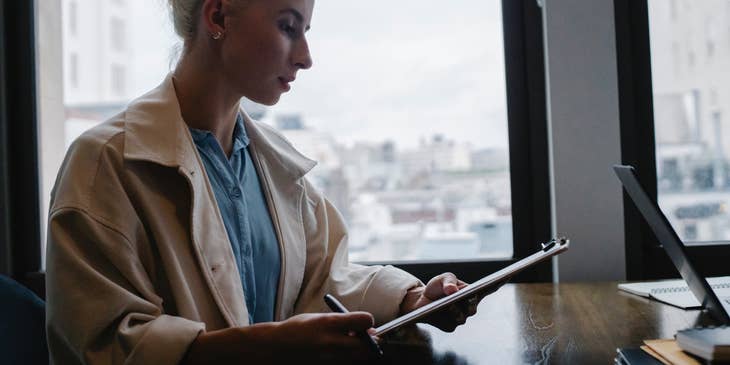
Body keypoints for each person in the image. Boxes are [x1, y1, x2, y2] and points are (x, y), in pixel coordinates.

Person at [45, 0, 482, 364]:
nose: (306, 56)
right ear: (217, 17)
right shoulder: (104, 163)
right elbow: (101, 345)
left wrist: (412, 301)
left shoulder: (271, 160)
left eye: (305, 30)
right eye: (288, 26)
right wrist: (267, 346)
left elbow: (320, 281)